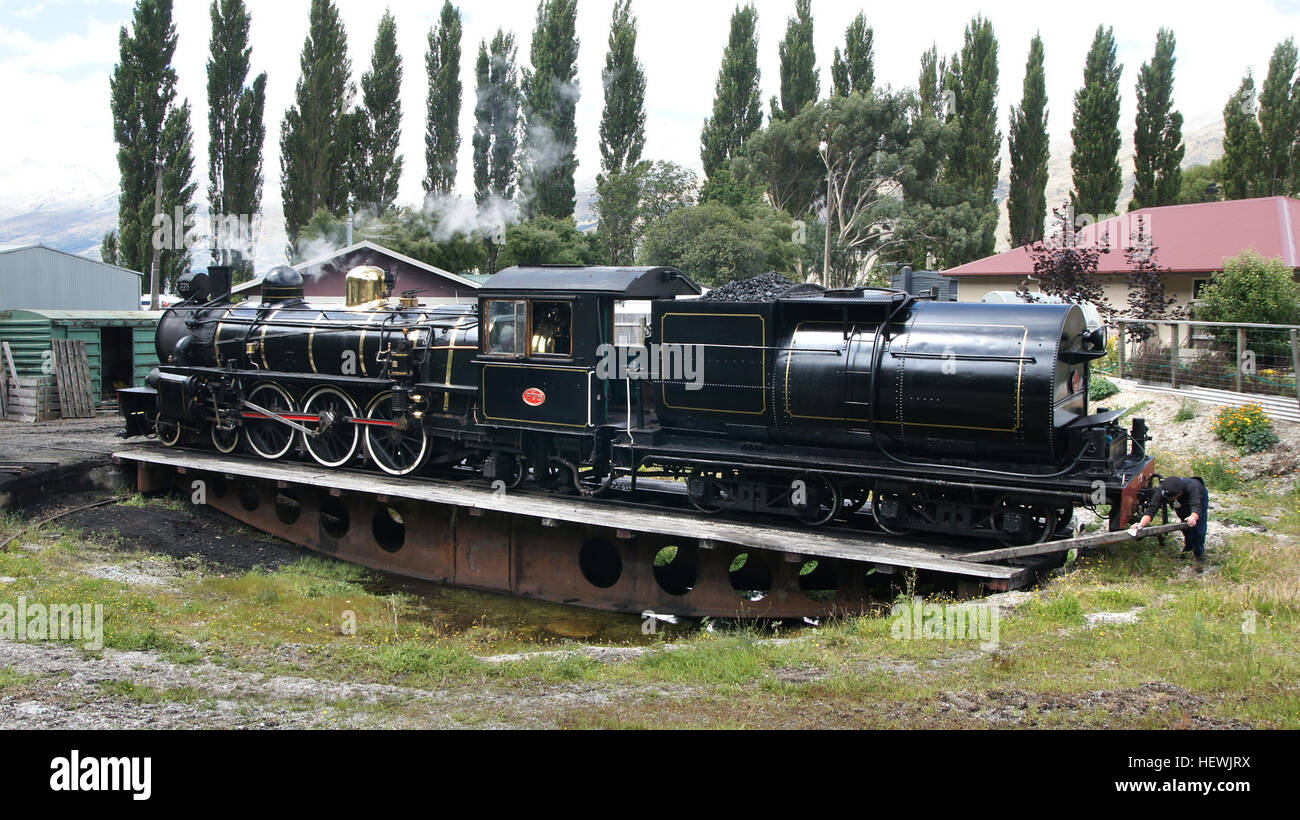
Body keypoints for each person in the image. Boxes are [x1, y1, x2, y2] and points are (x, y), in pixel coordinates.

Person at [1129, 476, 1209, 569]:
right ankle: (1188, 547)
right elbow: (1151, 511)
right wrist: (1140, 525)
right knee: (1185, 525)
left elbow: (1197, 507)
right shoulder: (1161, 490)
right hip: (1180, 503)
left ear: (1180, 493)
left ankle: (1199, 555)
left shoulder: (1193, 488)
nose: (1169, 500)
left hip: (1200, 498)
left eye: (1172, 498)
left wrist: (1193, 517)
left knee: (1198, 529)